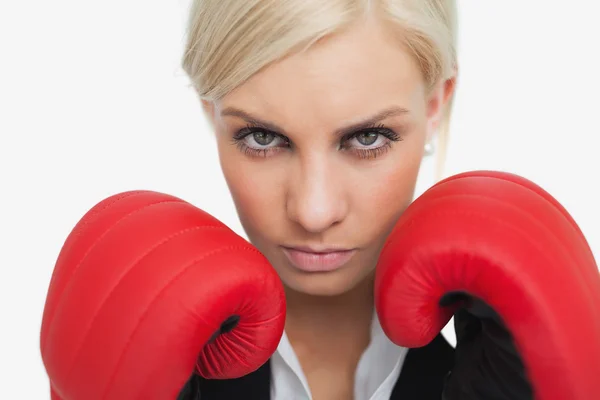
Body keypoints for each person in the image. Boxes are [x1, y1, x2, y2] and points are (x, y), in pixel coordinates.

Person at [180, 0, 457, 399]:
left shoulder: (490, 378)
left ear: (434, 107)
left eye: (367, 137)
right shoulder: (155, 378)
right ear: (212, 113)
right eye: (262, 137)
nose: (314, 212)